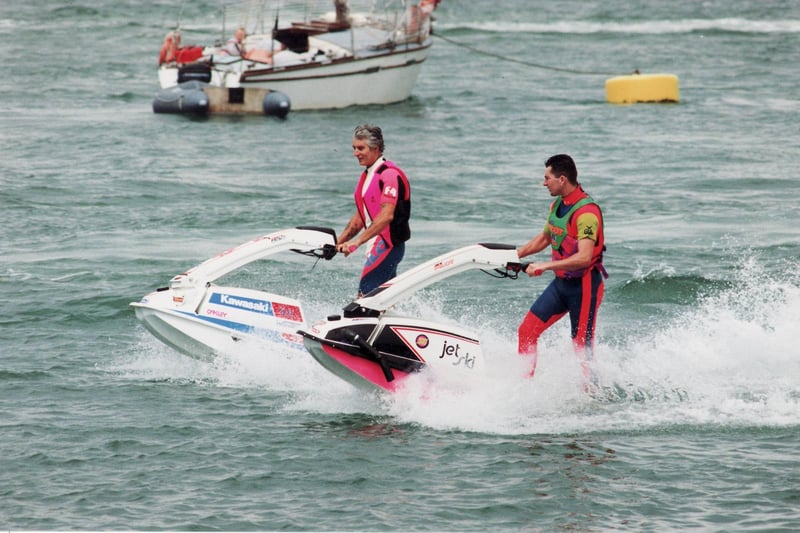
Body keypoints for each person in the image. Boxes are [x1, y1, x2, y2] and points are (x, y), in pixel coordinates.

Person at [516, 154, 607, 389]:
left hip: (584, 286)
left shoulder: (586, 213)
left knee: (581, 345)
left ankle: (594, 397)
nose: (544, 183)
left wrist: (545, 266)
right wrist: (515, 255)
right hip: (561, 285)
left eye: (547, 178)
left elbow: (584, 257)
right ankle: (524, 388)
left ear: (562, 179)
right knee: (526, 331)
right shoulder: (557, 204)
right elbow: (545, 238)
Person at [336, 124, 411, 297]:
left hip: (388, 245)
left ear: (375, 148)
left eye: (361, 148)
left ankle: (363, 321)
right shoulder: (367, 176)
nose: (355, 153)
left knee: (366, 294)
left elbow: (386, 216)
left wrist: (357, 242)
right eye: (354, 148)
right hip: (376, 244)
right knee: (381, 299)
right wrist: (336, 244)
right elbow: (360, 218)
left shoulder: (389, 174)